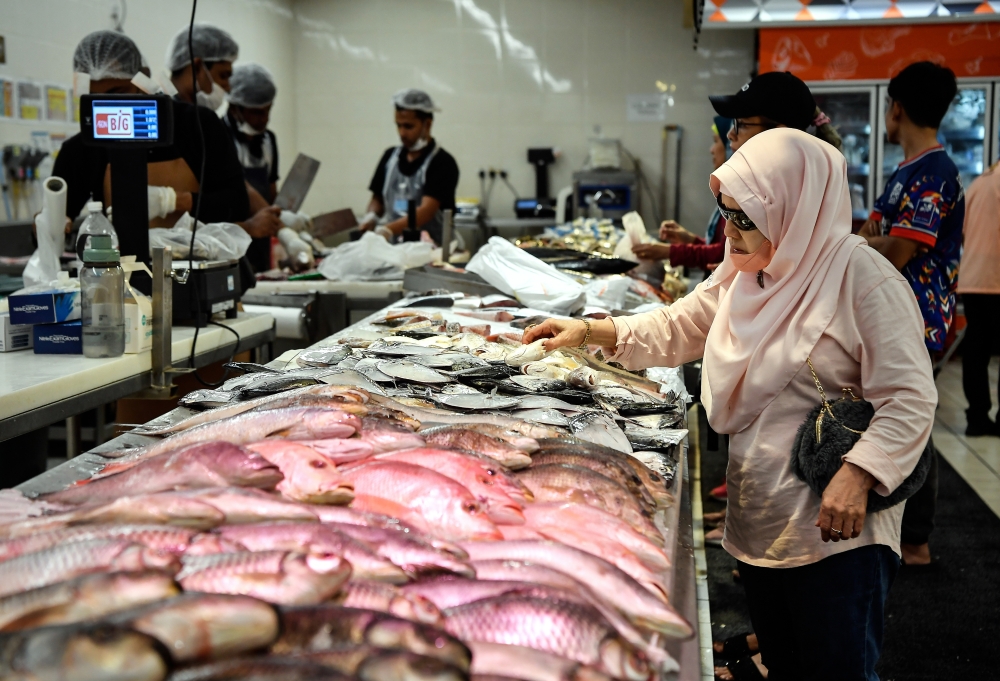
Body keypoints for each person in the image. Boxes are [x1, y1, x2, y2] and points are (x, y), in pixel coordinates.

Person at [525, 128, 936, 681]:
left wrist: (859, 475)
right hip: (764, 517)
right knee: (787, 665)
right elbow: (680, 323)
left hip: (838, 532)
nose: (730, 231)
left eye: (746, 217)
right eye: (726, 213)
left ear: (794, 206)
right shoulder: (750, 271)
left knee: (837, 669)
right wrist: (589, 331)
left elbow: (910, 396)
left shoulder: (863, 280)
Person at [860, 61, 962, 566]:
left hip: (919, 315)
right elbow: (874, 237)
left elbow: (899, 248)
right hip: (894, 310)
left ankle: (916, 539)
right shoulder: (906, 171)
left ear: (896, 107)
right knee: (893, 411)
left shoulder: (936, 172)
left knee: (912, 417)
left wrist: (861, 245)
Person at [54, 30, 249, 228]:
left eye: (118, 94)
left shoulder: (197, 125)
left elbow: (237, 205)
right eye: (95, 98)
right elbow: (58, 218)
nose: (109, 108)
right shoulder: (82, 148)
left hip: (198, 257)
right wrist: (50, 226)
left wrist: (172, 201)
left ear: (142, 81)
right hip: (122, 259)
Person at [166, 23, 281, 259]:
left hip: (220, 251)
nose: (228, 86)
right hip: (177, 255)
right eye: (223, 75)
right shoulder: (168, 121)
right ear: (198, 65)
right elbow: (235, 200)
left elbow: (235, 198)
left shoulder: (206, 124)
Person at [359, 89, 459, 245]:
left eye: (408, 126)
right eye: (398, 126)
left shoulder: (442, 162)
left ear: (427, 124)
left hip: (433, 251)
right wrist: (372, 216)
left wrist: (387, 229)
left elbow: (426, 211)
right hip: (396, 250)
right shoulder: (389, 157)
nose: (402, 133)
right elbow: (377, 199)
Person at [631, 117, 731, 269]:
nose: (711, 149)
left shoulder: (737, 198)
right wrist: (690, 239)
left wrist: (669, 252)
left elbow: (722, 254)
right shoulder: (727, 194)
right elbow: (720, 248)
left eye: (716, 141)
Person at [223, 63, 281, 273]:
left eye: (268, 110)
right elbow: (242, 187)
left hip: (262, 243)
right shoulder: (220, 137)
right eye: (256, 112)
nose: (264, 119)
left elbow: (271, 190)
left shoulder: (268, 141)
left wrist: (285, 216)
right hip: (231, 239)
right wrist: (284, 231)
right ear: (235, 107)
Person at [959, 161, 1000, 436]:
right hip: (996, 279)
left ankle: (976, 417)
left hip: (972, 278)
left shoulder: (979, 183)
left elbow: (962, 231)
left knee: (975, 350)